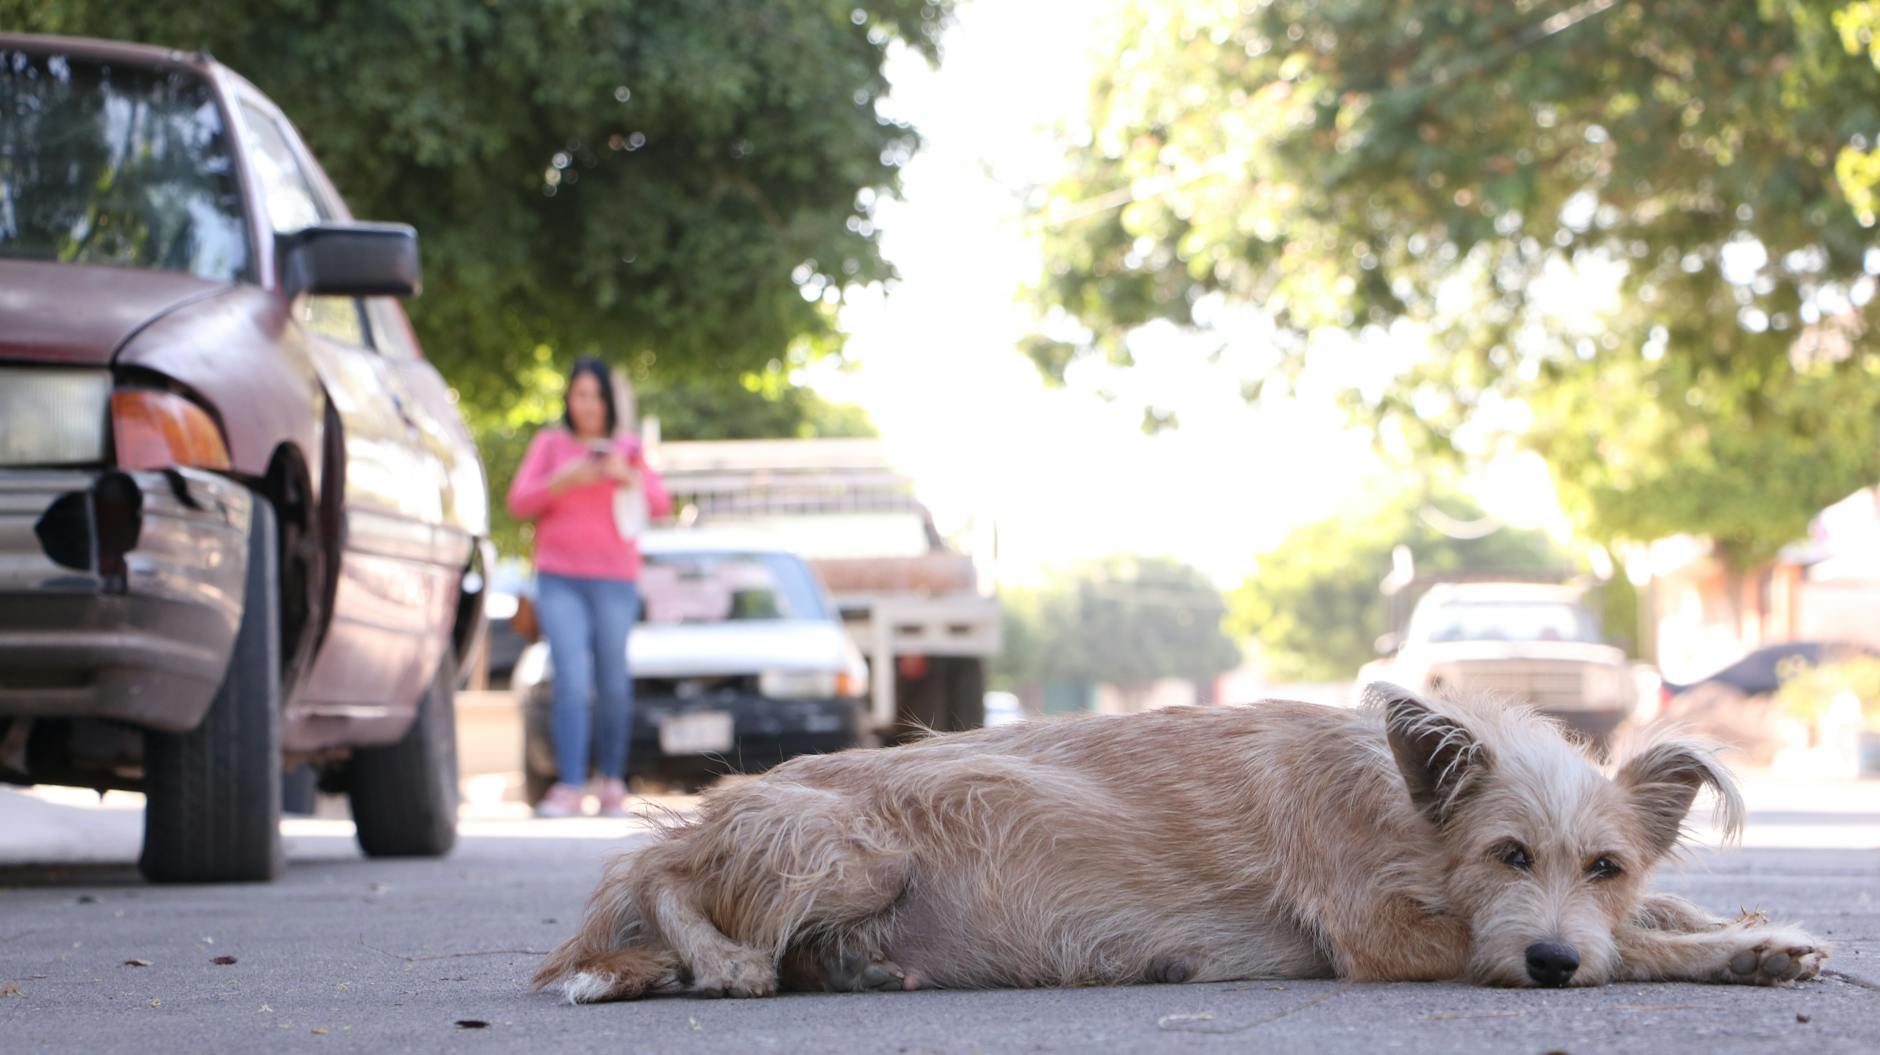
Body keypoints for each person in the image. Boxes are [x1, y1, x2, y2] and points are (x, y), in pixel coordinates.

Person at [506, 358, 671, 817]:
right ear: (568, 400)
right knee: (571, 681)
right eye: (579, 395)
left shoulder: (629, 448)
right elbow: (519, 501)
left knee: (613, 682)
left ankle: (613, 782)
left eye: (596, 395)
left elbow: (661, 504)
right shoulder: (550, 445)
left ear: (609, 401)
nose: (588, 404)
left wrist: (628, 475)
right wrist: (563, 480)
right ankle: (570, 784)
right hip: (560, 580)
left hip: (615, 581)